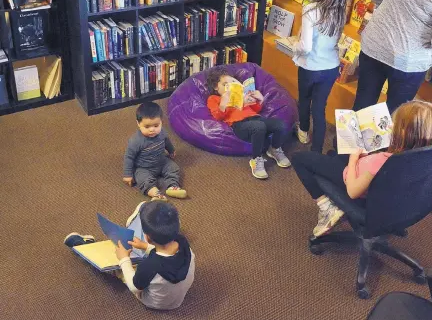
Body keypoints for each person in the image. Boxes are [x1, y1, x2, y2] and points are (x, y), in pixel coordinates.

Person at [292, 100, 432, 237]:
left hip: (352, 181)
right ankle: (337, 158)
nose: (391, 126)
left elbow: (352, 191)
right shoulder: (424, 157)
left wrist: (353, 161)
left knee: (299, 159)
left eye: (395, 125)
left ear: (405, 133)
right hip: (392, 200)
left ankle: (327, 207)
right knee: (337, 145)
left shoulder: (380, 162)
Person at [64, 201, 195, 310]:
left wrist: (124, 259)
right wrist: (145, 246)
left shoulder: (149, 266)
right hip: (177, 300)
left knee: (119, 266)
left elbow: (134, 287)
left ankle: (85, 247)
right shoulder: (184, 243)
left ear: (148, 237)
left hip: (154, 302)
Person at [293, 0, 351, 153]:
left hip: (310, 67)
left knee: (304, 100)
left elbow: (306, 46)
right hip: (331, 67)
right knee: (319, 108)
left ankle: (303, 132)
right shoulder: (342, 10)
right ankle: (317, 148)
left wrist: (294, 46)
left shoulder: (311, 10)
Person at [206, 67, 291, 180]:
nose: (230, 87)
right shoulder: (214, 98)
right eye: (225, 85)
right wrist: (223, 104)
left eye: (233, 82)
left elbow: (255, 110)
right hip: (240, 125)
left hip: (256, 119)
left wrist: (260, 100)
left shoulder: (242, 95)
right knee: (258, 127)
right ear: (217, 87)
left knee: (280, 124)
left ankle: (274, 149)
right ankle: (256, 159)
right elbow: (218, 116)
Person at [123, 102, 187, 200]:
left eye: (156, 126)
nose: (152, 130)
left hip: (162, 161)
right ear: (138, 123)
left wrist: (171, 150)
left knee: (174, 168)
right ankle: (155, 193)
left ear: (161, 121)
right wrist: (127, 174)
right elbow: (129, 157)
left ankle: (173, 187)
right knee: (142, 178)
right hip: (144, 167)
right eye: (147, 127)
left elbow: (166, 141)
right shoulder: (136, 141)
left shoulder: (162, 132)